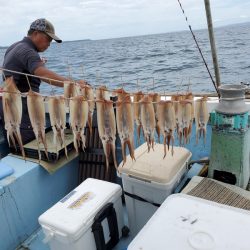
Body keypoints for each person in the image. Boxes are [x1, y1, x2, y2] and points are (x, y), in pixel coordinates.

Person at [0, 18, 87, 144]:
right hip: (23, 108)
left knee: (17, 146)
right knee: (29, 147)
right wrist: (73, 84)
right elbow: (44, 74)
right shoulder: (28, 51)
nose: (49, 44)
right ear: (35, 33)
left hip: (8, 106)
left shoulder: (15, 47)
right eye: (48, 39)